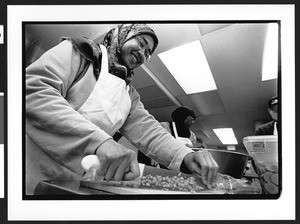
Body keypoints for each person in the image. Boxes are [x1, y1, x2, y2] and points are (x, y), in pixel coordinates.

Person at [26, 24, 219, 195]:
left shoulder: (129, 95)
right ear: (123, 34)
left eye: (148, 52)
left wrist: (185, 155)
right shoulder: (78, 52)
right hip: (30, 171)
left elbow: (150, 132)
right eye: (141, 43)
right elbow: (33, 91)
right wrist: (99, 143)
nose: (143, 53)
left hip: (74, 182)